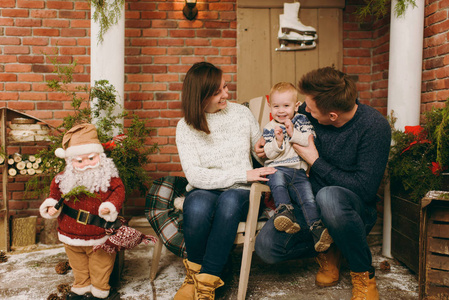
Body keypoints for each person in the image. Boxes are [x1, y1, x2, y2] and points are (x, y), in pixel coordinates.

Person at [254, 67, 391, 300]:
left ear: (332, 116)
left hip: (348, 209)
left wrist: (315, 161)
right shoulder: (307, 114)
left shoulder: (374, 127)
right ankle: (329, 246)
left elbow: (365, 189)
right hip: (308, 204)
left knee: (329, 197)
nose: (305, 110)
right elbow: (280, 141)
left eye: (312, 109)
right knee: (267, 247)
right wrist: (263, 145)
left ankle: (363, 274)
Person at [174, 61, 277, 300]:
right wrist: (241, 174)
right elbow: (195, 175)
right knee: (196, 206)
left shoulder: (241, 113)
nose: (227, 94)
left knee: (230, 201)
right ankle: (194, 276)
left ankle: (207, 283)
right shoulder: (186, 127)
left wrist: (263, 151)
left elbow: (261, 153)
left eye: (226, 87)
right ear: (201, 96)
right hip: (207, 188)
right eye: (219, 91)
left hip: (243, 191)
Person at [40, 123, 125, 300]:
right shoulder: (62, 179)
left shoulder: (109, 177)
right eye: (79, 161)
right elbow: (54, 196)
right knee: (78, 263)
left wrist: (110, 206)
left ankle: (99, 290)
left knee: (100, 264)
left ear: (100, 156)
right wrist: (51, 207)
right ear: (70, 161)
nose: (86, 164)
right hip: (70, 232)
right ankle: (81, 286)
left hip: (99, 232)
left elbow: (119, 192)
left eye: (91, 158)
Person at [262, 82, 333, 253]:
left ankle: (316, 228)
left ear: (296, 106)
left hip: (299, 172)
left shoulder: (301, 121)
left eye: (286, 106)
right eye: (276, 106)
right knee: (277, 182)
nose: (281, 111)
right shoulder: (269, 128)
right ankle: (285, 211)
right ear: (270, 107)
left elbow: (310, 140)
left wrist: (293, 133)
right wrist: (278, 142)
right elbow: (268, 154)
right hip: (277, 168)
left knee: (307, 198)